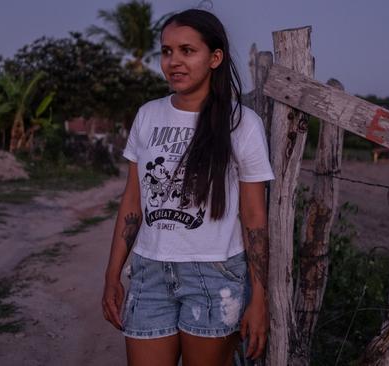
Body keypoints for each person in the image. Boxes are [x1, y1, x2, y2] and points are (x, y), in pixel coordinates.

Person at [102, 9, 274, 366]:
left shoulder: (241, 123)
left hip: (215, 275)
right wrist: (112, 273)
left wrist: (259, 297)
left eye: (186, 51)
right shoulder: (148, 115)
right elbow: (133, 201)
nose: (174, 62)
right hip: (149, 272)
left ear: (214, 58)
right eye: (166, 51)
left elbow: (255, 215)